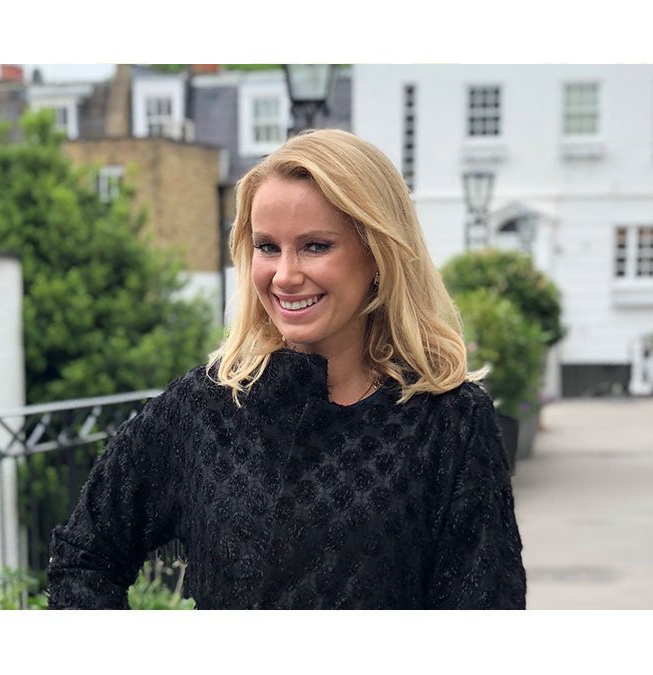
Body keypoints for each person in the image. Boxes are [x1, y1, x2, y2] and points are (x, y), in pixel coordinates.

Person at [48, 129, 525, 609]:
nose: (285, 275)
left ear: (378, 253)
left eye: (316, 246)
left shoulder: (450, 421)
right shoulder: (205, 408)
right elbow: (83, 557)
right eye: (267, 247)